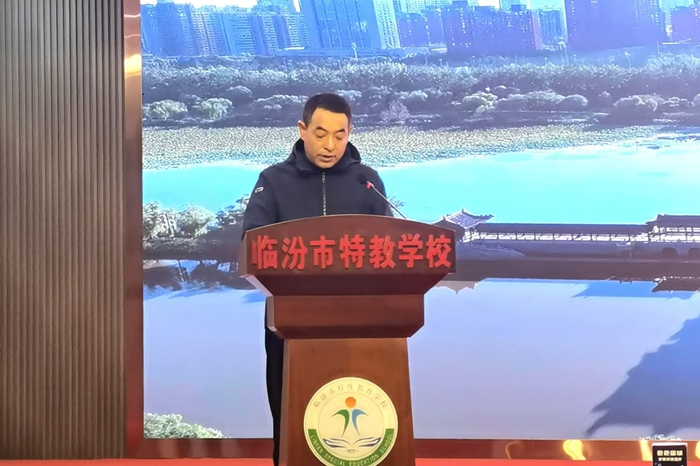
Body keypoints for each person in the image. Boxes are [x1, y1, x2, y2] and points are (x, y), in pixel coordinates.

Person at [241, 93, 392, 465]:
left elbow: (389, 248)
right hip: (289, 322)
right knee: (292, 414)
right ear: (302, 129)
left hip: (360, 321)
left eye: (340, 135)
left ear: (350, 132)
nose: (330, 145)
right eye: (321, 133)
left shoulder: (367, 181)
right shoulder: (273, 180)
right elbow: (252, 244)